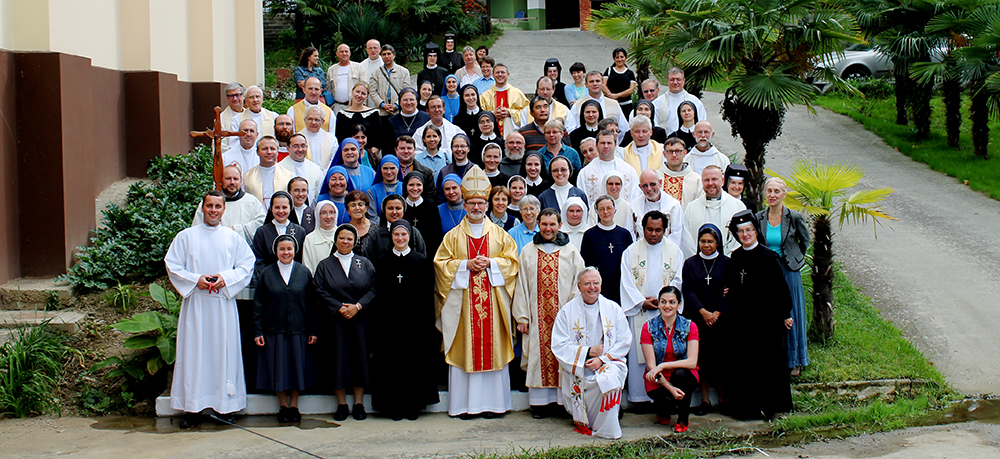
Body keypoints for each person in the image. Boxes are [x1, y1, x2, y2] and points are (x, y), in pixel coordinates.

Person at [433, 166, 520, 419]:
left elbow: (511, 263)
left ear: (487, 204)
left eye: (481, 203)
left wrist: (492, 263)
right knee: (465, 351)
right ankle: (464, 406)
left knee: (492, 349)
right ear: (465, 204)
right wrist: (464, 265)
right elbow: (441, 265)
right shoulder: (452, 237)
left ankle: (494, 405)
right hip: (463, 308)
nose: (476, 207)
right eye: (472, 203)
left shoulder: (500, 235)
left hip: (493, 306)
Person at [166, 190, 256, 428]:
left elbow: (247, 264)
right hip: (196, 303)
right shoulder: (186, 237)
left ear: (224, 209)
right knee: (194, 354)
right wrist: (196, 279)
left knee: (222, 354)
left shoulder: (232, 237)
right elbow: (172, 264)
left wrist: (225, 278)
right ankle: (192, 408)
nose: (214, 210)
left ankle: (224, 408)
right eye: (209, 206)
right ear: (202, 208)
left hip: (222, 305)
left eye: (218, 206)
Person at [720, 210, 794, 420]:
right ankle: (746, 408)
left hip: (765, 323)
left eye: (749, 230)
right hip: (742, 323)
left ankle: (772, 407)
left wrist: (784, 314)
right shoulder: (735, 257)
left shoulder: (769, 257)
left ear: (755, 231)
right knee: (745, 367)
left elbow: (782, 290)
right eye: (741, 231)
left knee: (767, 366)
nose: (745, 234)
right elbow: (733, 286)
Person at [513, 208, 585, 418]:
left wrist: (573, 313)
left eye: (552, 224)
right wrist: (522, 317)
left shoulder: (570, 252)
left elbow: (577, 283)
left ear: (560, 225)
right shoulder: (528, 251)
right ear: (538, 224)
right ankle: (540, 404)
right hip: (537, 318)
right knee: (538, 354)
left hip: (563, 317)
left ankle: (562, 403)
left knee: (562, 355)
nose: (548, 228)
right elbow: (521, 285)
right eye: (544, 224)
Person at [370, 220, 441, 420]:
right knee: (392, 366)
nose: (400, 238)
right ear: (391, 237)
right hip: (390, 324)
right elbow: (378, 293)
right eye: (396, 235)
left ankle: (413, 406)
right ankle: (393, 407)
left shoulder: (420, 261)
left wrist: (425, 323)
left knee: (413, 365)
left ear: (410, 236)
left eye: (403, 235)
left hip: (414, 324)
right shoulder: (382, 261)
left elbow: (427, 294)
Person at [551, 268, 631, 439]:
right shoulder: (567, 311)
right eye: (587, 283)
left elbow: (625, 340)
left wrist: (602, 360)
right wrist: (588, 352)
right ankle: (589, 421)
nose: (592, 287)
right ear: (579, 286)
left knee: (608, 379)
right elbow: (559, 345)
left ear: (601, 285)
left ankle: (609, 428)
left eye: (595, 283)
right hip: (581, 365)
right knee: (589, 378)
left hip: (608, 362)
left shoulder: (613, 308)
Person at [312, 224, 377, 421]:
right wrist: (339, 307)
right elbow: (319, 289)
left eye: (349, 239)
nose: (345, 242)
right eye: (341, 238)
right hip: (335, 321)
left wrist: (357, 307)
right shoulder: (325, 265)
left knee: (360, 360)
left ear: (355, 241)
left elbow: (374, 289)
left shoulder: (364, 263)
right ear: (336, 240)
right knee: (337, 360)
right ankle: (341, 404)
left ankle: (358, 403)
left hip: (359, 321)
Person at [619, 210, 684, 406]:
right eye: (649, 229)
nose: (654, 234)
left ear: (665, 230)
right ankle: (639, 398)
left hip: (666, 313)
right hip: (641, 311)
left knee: (665, 353)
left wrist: (663, 302)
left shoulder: (675, 251)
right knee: (639, 354)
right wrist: (641, 301)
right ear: (642, 228)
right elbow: (626, 282)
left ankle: (664, 399)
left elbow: (678, 280)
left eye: (658, 230)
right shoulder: (631, 252)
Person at [253, 234, 317, 424]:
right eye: (282, 249)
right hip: (274, 330)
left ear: (295, 251)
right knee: (278, 369)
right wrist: (258, 331)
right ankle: (282, 405)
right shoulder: (267, 273)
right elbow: (258, 304)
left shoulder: (304, 272)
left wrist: (313, 330)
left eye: (289, 249)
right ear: (276, 251)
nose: (286, 253)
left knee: (296, 368)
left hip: (299, 329)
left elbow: (312, 304)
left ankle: (294, 405)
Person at [756, 177, 811, 376]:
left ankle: (795, 359)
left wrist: (794, 258)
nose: (772, 195)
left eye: (776, 191)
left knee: (792, 311)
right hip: (768, 269)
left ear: (783, 194)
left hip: (788, 268)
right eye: (769, 191)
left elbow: (805, 241)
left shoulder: (793, 217)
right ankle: (774, 356)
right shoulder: (759, 217)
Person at [681, 223, 728, 415]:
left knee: (720, 360)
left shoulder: (727, 262)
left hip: (721, 321)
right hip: (699, 319)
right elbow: (688, 290)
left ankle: (724, 401)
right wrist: (704, 312)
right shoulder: (690, 263)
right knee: (702, 361)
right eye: (702, 241)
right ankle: (706, 401)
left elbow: (730, 291)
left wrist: (717, 313)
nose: (706, 245)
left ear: (718, 242)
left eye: (710, 241)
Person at [641, 285, 699, 432]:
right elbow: (652, 366)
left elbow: (692, 362)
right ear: (659, 303)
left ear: (679, 304)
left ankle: (682, 419)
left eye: (672, 302)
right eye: (663, 301)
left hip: (683, 374)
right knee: (666, 403)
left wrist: (664, 366)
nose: (667, 306)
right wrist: (670, 388)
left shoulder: (690, 326)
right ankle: (663, 411)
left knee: (680, 374)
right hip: (658, 378)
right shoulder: (648, 327)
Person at [681, 165, 746, 257]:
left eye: (714, 179)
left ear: (723, 181)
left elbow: (740, 240)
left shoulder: (738, 207)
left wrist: (725, 260)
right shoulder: (691, 208)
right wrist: (697, 260)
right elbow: (687, 241)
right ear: (702, 182)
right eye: (707, 180)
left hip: (729, 264)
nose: (711, 183)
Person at [580, 195, 633, 305]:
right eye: (601, 209)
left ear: (615, 210)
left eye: (609, 208)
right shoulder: (590, 235)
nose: (606, 212)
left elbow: (630, 262)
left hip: (620, 285)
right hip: (598, 287)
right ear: (597, 211)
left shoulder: (624, 234)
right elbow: (586, 263)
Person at [193, 165, 265, 245]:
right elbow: (197, 229)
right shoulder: (209, 202)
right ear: (221, 180)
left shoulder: (252, 202)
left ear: (241, 181)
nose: (232, 182)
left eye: (235, 179)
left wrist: (236, 229)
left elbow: (261, 224)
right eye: (228, 179)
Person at [252, 190, 307, 284]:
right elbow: (258, 260)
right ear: (271, 209)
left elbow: (300, 259)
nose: (281, 211)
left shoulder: (299, 231)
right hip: (269, 283)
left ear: (291, 208)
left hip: (294, 282)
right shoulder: (262, 232)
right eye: (277, 207)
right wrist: (268, 279)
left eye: (284, 207)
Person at [576, 130, 640, 205]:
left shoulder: (629, 170)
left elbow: (635, 197)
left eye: (609, 143)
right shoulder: (585, 173)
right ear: (596, 145)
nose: (606, 146)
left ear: (615, 145)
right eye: (603, 143)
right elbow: (583, 199)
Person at [629, 169, 684, 248]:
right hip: (641, 251)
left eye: (652, 184)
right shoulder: (634, 206)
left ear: (660, 183)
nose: (649, 189)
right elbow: (630, 232)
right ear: (640, 187)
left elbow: (677, 234)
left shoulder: (673, 205)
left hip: (666, 252)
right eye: (645, 186)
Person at [566, 71, 629, 139]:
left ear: (602, 83)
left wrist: (614, 143)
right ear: (586, 84)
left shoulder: (614, 104)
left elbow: (624, 129)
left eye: (598, 81)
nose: (595, 84)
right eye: (591, 81)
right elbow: (571, 129)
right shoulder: (578, 105)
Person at [365, 194, 428, 261]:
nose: (394, 212)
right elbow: (370, 262)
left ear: (404, 210)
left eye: (398, 208)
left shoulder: (414, 232)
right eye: (390, 208)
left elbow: (422, 258)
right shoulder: (377, 235)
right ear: (384, 210)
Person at [479, 63, 530, 137]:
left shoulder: (517, 93)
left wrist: (510, 113)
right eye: (497, 72)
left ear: (508, 75)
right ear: (493, 75)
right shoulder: (485, 95)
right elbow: (480, 114)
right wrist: (492, 114)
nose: (500, 75)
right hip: (491, 135)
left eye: (503, 72)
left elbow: (527, 113)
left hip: (513, 134)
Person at [334, 84, 384, 157]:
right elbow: (339, 137)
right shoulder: (342, 115)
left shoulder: (373, 113)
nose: (359, 95)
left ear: (367, 96)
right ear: (352, 92)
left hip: (368, 155)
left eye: (363, 93)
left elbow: (378, 136)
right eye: (357, 92)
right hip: (349, 155)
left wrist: (372, 153)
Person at [245, 136, 294, 209]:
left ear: (277, 152)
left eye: (272, 149)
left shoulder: (289, 175)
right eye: (265, 149)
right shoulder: (246, 177)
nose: (269, 152)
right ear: (257, 152)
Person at [654, 68, 707, 133]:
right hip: (666, 140)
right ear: (667, 81)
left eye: (678, 79)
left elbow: (702, 123)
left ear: (684, 81)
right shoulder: (658, 102)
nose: (675, 82)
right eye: (672, 79)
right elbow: (655, 123)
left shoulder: (695, 102)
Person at [402, 171, 443, 255]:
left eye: (418, 185)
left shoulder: (431, 206)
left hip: (428, 253)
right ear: (405, 186)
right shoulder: (401, 205)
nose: (415, 188)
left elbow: (436, 234)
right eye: (411, 185)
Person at [369, 45, 410, 122]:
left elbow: (406, 91)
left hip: (398, 111)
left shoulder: (404, 72)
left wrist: (396, 105)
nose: (386, 56)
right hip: (382, 112)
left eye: (389, 54)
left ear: (394, 55)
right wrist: (382, 105)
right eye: (384, 54)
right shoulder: (375, 73)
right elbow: (372, 91)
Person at [279, 134, 325, 203]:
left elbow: (319, 194)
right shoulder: (279, 168)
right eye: (295, 146)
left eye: (303, 146)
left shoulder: (316, 169)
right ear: (288, 148)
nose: (300, 149)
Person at [660, 137, 703, 207]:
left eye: (678, 151)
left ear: (685, 153)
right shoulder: (656, 177)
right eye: (670, 151)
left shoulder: (696, 180)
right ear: (664, 154)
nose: (674, 155)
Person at [393, 134, 437, 201]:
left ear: (414, 150)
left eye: (409, 148)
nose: (406, 151)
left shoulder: (426, 172)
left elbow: (430, 197)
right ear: (396, 150)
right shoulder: (389, 171)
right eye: (402, 148)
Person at [327, 44, 368, 112]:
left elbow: (365, 86)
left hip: (354, 106)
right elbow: (329, 88)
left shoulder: (358, 67)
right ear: (337, 54)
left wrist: (362, 104)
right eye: (341, 51)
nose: (344, 53)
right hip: (337, 106)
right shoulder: (331, 69)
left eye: (346, 51)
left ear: (350, 53)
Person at [435, 134, 475, 203]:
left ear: (468, 149)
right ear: (452, 149)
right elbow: (440, 197)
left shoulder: (475, 170)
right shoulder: (444, 171)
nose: (459, 149)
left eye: (463, 146)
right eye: (456, 146)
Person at [302, 200, 339, 273]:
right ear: (318, 215)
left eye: (331, 212)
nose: (328, 217)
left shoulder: (342, 235)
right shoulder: (310, 239)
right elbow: (307, 267)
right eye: (324, 213)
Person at [299, 105, 338, 170]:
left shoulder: (331, 139)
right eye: (310, 119)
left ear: (322, 122)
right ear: (304, 120)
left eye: (317, 120)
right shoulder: (297, 138)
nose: (313, 122)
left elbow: (334, 160)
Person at [365, 155, 403, 221]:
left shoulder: (405, 187)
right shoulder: (372, 191)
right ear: (380, 169)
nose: (388, 172)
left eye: (392, 168)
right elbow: (372, 216)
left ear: (398, 169)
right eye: (385, 168)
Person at [603, 47, 637, 117]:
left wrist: (617, 95)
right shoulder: (609, 70)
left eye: (622, 57)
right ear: (614, 59)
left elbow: (631, 90)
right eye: (617, 57)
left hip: (626, 105)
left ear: (625, 58)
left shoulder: (630, 73)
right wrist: (612, 97)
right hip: (610, 104)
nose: (619, 59)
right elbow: (603, 85)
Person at [345, 190, 376, 255]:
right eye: (353, 205)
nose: (357, 208)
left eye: (360, 204)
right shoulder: (344, 230)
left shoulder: (376, 229)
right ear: (348, 210)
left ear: (366, 208)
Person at [220, 82, 246, 154]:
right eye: (231, 96)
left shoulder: (249, 115)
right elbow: (221, 145)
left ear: (243, 96)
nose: (235, 99)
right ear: (227, 98)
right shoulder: (221, 118)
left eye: (237, 95)